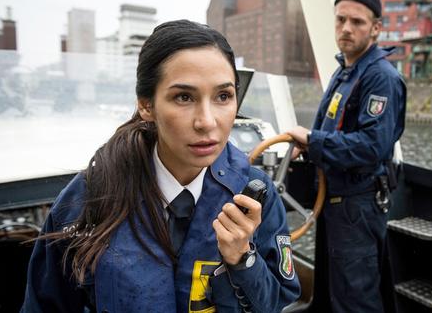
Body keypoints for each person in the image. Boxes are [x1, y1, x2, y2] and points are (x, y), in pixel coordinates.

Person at [21, 20, 300, 312]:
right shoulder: (90, 197)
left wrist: (243, 258)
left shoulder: (254, 196)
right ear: (146, 106)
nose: (207, 121)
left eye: (223, 96)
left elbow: (275, 301)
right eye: (183, 97)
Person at [287, 0, 406, 312]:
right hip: (334, 202)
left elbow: (372, 147)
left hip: (357, 206)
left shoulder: (380, 77)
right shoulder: (345, 72)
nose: (346, 29)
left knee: (354, 300)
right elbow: (331, 130)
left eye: (357, 22)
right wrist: (307, 146)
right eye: (341, 20)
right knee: (331, 292)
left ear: (376, 28)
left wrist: (312, 141)